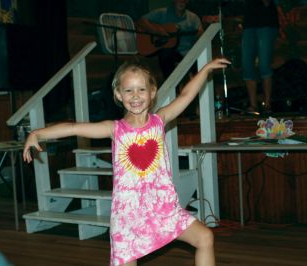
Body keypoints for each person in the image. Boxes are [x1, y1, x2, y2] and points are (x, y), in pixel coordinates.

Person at [23, 57, 230, 266]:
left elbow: (186, 94)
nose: (136, 96)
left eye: (141, 89)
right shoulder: (114, 129)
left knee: (205, 237)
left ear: (152, 92)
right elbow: (74, 128)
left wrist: (205, 69)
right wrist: (38, 134)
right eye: (129, 90)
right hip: (129, 217)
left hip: (163, 209)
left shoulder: (160, 120)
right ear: (118, 95)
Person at [136, 0, 204, 79]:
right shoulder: (162, 13)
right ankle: (172, 87)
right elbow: (141, 20)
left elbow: (200, 37)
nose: (181, 1)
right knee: (166, 53)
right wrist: (156, 31)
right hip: (170, 52)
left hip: (188, 53)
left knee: (199, 60)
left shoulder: (193, 18)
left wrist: (199, 35)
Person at [241, 0, 279, 113]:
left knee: (264, 65)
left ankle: (267, 104)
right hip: (248, 23)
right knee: (246, 64)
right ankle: (253, 105)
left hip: (266, 21)